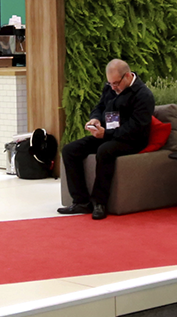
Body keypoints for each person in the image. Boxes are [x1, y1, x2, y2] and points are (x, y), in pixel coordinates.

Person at [57, 59, 155, 220]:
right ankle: (81, 201)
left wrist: (106, 134)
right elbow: (100, 106)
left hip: (132, 140)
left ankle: (99, 202)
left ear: (128, 76)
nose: (113, 87)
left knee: (105, 151)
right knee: (70, 150)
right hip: (108, 134)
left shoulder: (143, 95)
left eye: (116, 83)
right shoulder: (110, 88)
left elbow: (136, 128)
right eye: (110, 84)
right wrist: (95, 119)